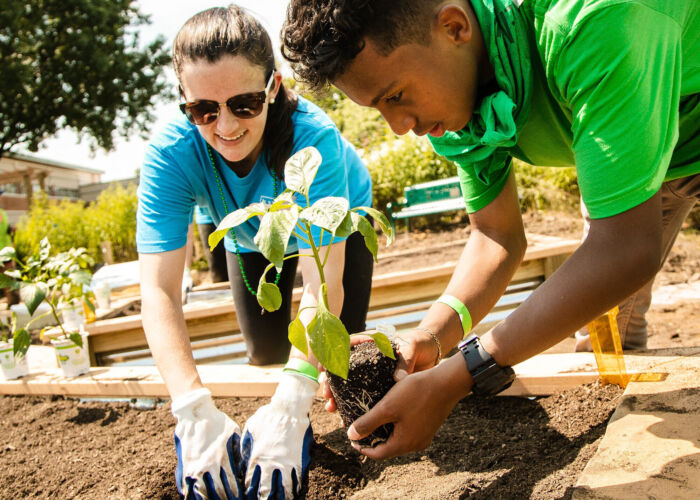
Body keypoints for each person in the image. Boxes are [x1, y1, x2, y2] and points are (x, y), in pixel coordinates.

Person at [281, 0, 700, 459]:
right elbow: (497, 237)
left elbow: (624, 247)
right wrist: (432, 337)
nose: (399, 127)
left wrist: (462, 373)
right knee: (604, 339)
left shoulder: (592, 20)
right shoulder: (457, 86)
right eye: (378, 108)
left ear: (455, 26)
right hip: (645, 147)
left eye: (395, 95)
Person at [136, 5, 374, 498]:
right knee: (266, 352)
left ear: (275, 86)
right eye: (204, 109)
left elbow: (319, 281)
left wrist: (291, 402)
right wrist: (192, 410)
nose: (224, 126)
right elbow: (158, 291)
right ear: (184, 101)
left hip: (329, 231)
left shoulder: (313, 140)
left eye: (244, 103)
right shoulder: (169, 154)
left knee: (337, 363)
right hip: (253, 235)